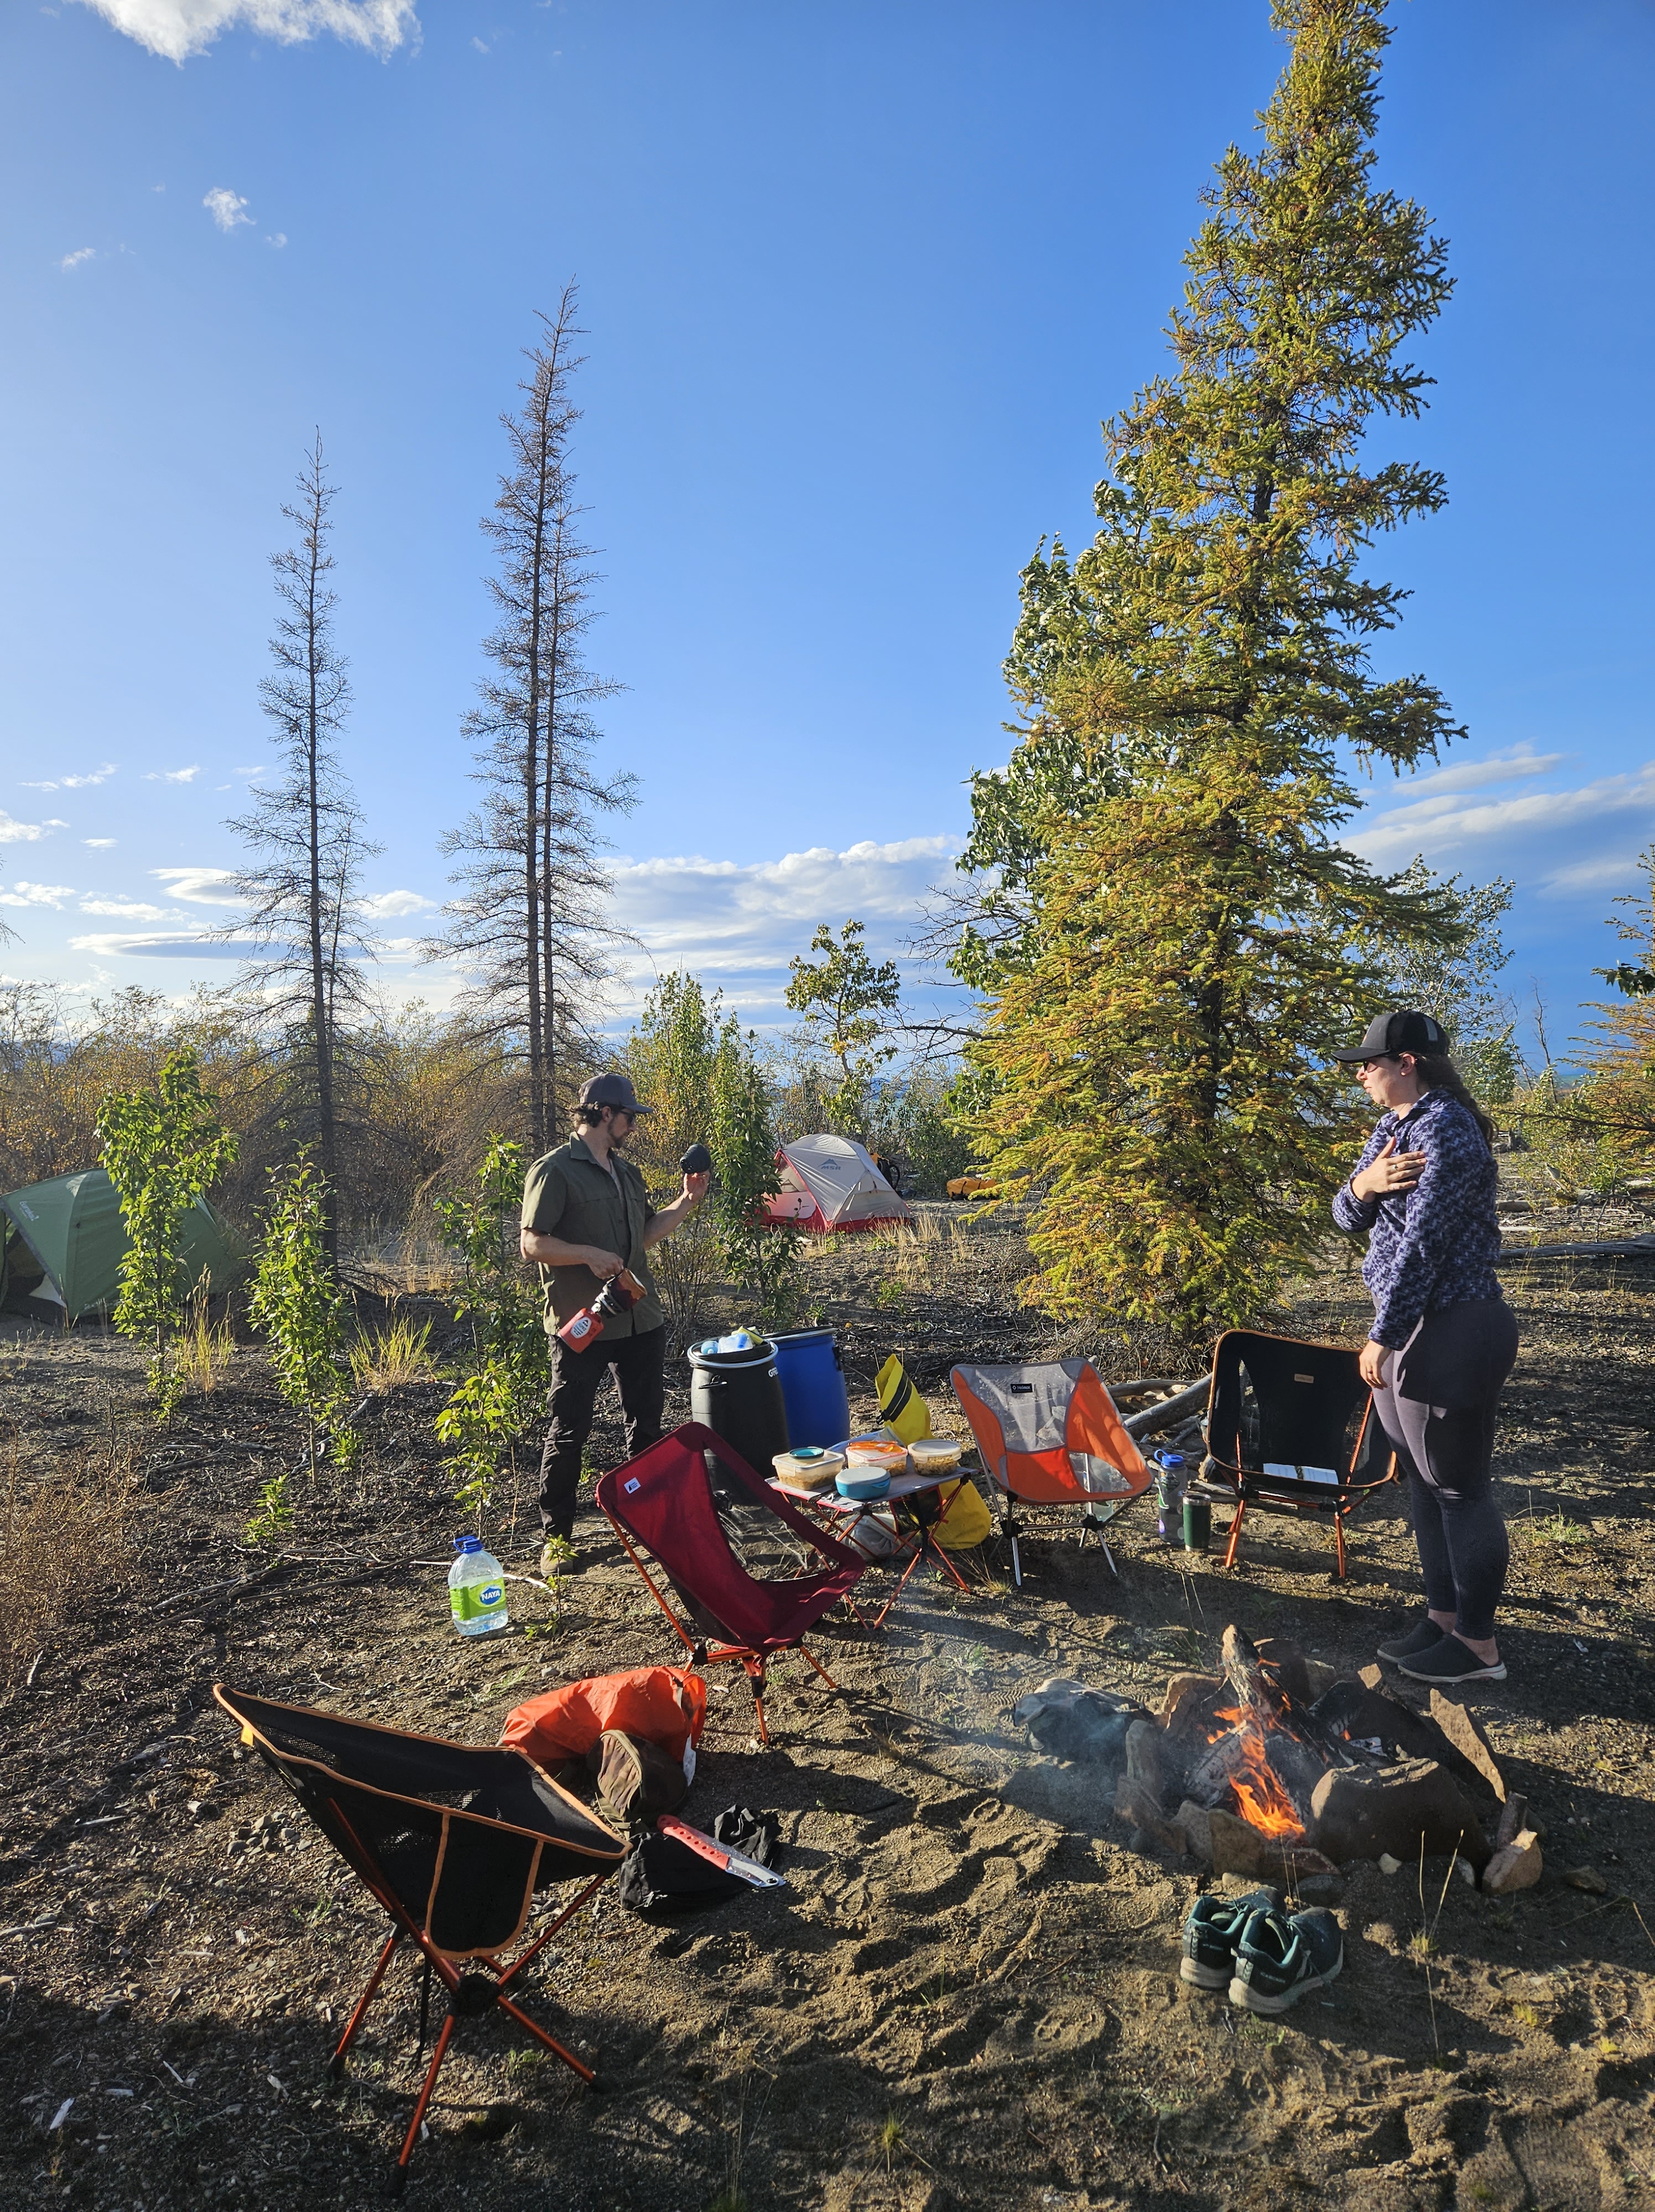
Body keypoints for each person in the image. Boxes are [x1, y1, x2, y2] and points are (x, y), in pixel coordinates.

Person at [1330, 1009, 1519, 1686]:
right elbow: (1344, 1214)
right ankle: (1443, 1619)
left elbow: (1426, 1245)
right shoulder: (1392, 1129)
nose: (1360, 1074)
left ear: (1406, 1062)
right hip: (1414, 1325)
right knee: (1422, 1482)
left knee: (1459, 1487)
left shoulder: (1446, 1129)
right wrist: (1364, 1184)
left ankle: (1478, 1646)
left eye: (1369, 1064)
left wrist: (1382, 1335)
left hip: (1455, 1323)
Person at [519, 1072, 709, 1575]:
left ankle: (646, 1521)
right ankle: (557, 1541)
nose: (633, 1125)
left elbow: (643, 1235)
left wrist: (687, 1201)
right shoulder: (554, 1170)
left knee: (646, 1427)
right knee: (569, 1431)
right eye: (629, 1116)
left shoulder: (627, 1172)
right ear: (606, 1114)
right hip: (582, 1323)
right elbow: (532, 1244)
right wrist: (587, 1254)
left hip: (640, 1320)